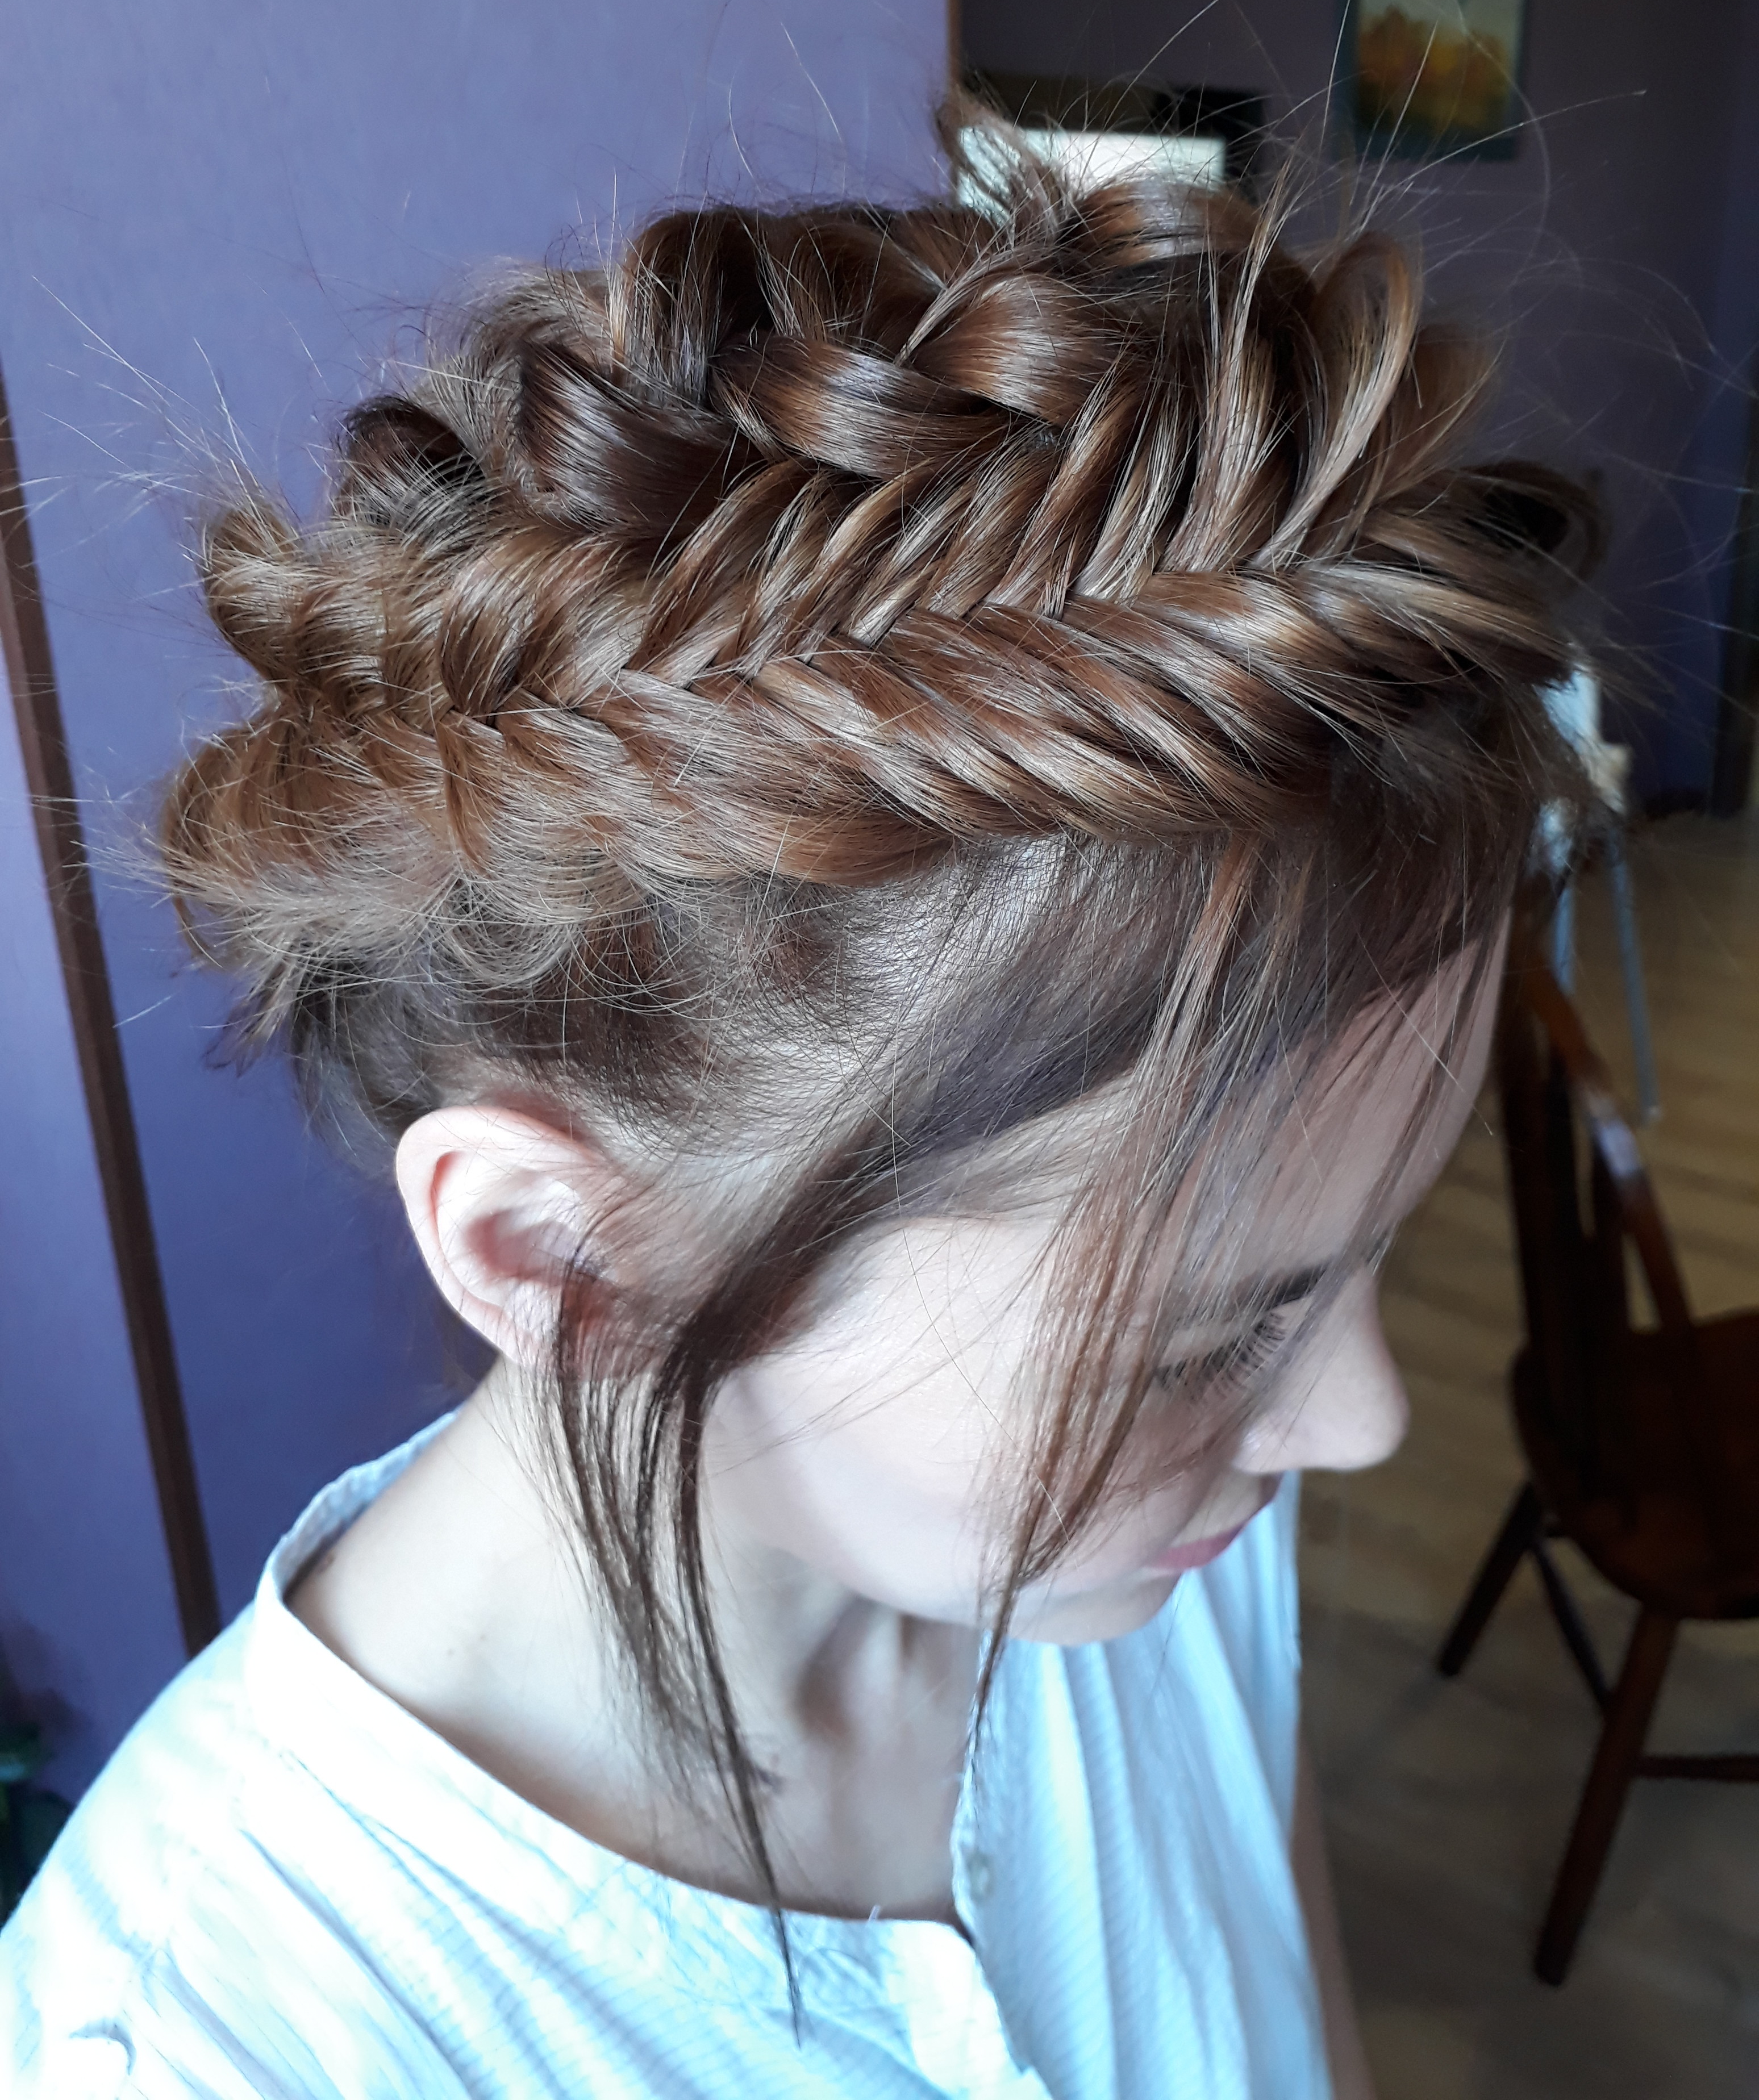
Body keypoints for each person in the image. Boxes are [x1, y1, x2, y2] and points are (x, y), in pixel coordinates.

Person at [0, 128, 1585, 2098]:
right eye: (1214, 1332)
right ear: (563, 1255)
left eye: (1365, 1260)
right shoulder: (205, 2045)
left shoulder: (1143, 1552)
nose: (1361, 1420)